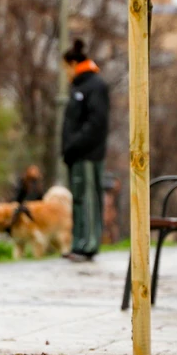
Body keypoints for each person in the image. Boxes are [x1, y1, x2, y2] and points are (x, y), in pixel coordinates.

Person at [60, 39, 109, 261]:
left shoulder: (94, 86)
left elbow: (96, 124)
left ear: (72, 63)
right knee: (78, 198)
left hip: (88, 155)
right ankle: (78, 244)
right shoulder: (79, 86)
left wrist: (75, 144)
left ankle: (88, 244)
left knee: (88, 198)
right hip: (76, 155)